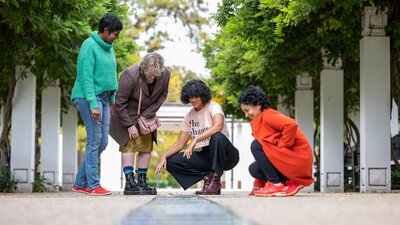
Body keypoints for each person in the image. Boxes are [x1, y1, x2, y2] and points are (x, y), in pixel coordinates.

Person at [156, 79, 240, 195]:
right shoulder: (189, 115)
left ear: (203, 95)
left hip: (226, 154)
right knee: (170, 161)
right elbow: (180, 144)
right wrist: (164, 156)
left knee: (217, 136)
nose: (193, 100)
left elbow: (218, 126)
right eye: (190, 97)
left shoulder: (213, 106)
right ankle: (208, 178)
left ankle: (215, 179)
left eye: (196, 96)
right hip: (207, 156)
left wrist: (196, 139)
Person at [71, 13, 123, 196]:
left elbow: (111, 75)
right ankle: (93, 185)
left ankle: (79, 182)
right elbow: (86, 78)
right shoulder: (89, 46)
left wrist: (111, 100)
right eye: (115, 34)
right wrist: (93, 103)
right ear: (106, 30)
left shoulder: (109, 48)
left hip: (104, 98)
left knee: (103, 142)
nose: (116, 38)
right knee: (94, 140)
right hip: (88, 97)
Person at [110, 52, 170, 195]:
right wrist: (130, 126)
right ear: (143, 68)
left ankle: (142, 181)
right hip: (127, 113)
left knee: (146, 146)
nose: (151, 78)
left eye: (154, 75)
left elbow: (162, 95)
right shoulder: (130, 74)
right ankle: (130, 182)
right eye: (148, 74)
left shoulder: (165, 74)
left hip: (146, 115)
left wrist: (148, 115)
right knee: (129, 145)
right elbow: (120, 103)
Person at [238, 86, 314, 197]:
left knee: (256, 145)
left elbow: (291, 124)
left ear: (258, 105)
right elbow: (266, 155)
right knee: (254, 169)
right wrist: (258, 183)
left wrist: (284, 144)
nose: (246, 115)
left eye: (247, 110)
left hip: (297, 159)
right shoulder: (262, 119)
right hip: (293, 161)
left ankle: (276, 185)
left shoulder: (268, 115)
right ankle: (291, 182)